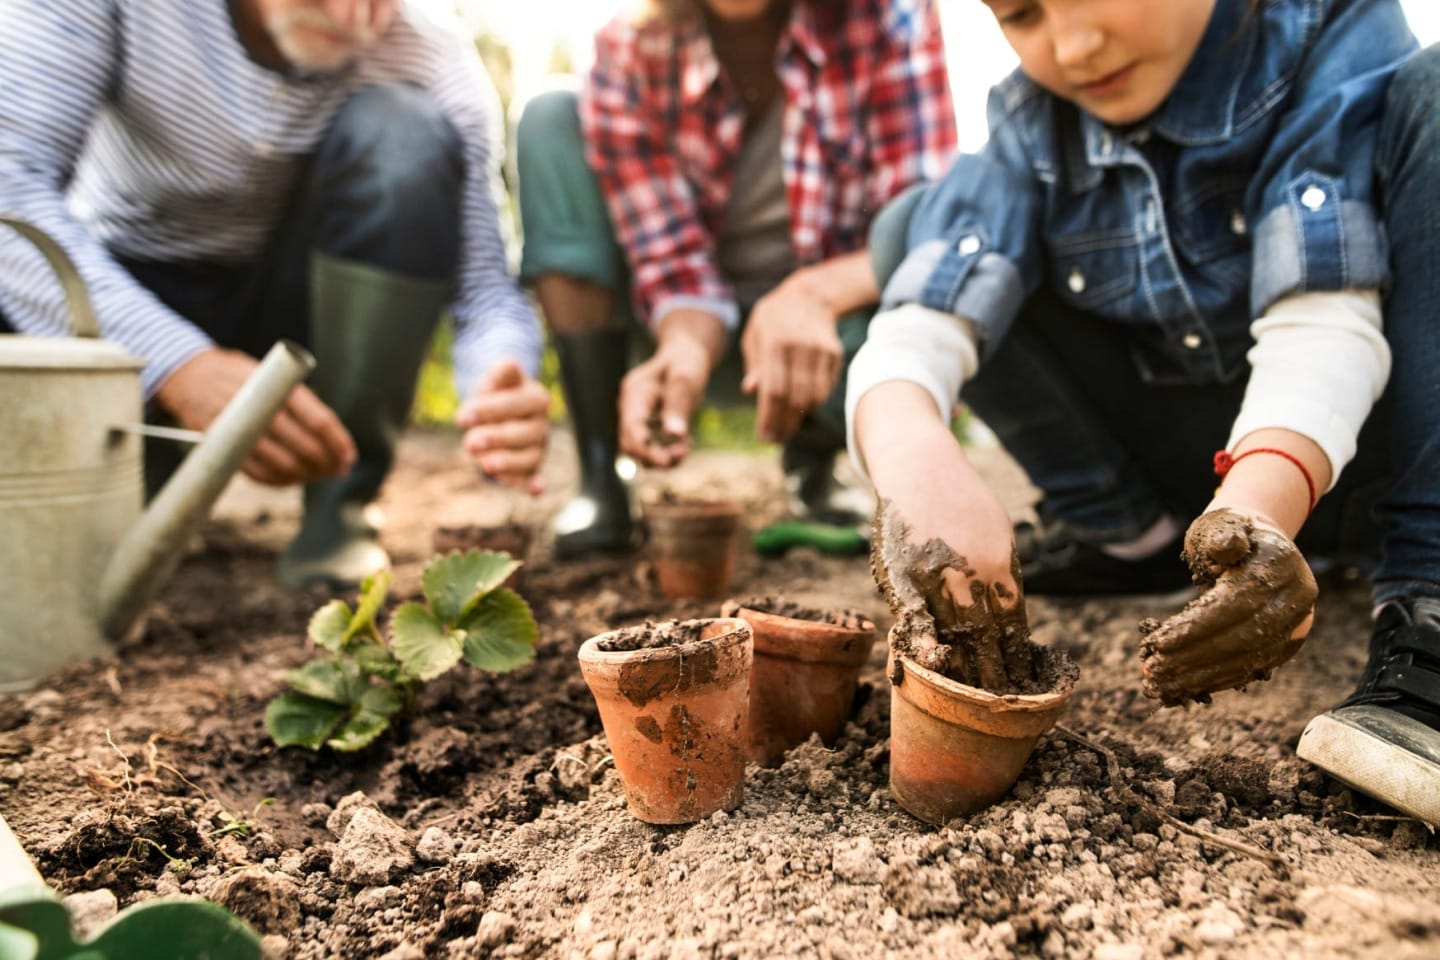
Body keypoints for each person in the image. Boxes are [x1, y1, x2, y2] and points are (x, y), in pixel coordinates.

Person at [848, 0, 1439, 825]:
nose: (1075, 46)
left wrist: (1258, 506)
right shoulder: (1031, 118)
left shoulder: (1332, 32)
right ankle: (1134, 540)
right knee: (915, 228)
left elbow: (1324, 318)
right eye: (1020, 15)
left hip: (1367, 443)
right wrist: (916, 457)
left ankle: (1429, 599)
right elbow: (923, 319)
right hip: (1199, 475)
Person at [0, 0, 550, 589]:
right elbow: (10, 184)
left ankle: (341, 505)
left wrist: (501, 375)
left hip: (299, 309)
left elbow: (485, 288)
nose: (352, 15)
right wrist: (175, 364)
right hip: (125, 296)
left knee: (404, 132)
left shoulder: (429, 52)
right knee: (88, 548)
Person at [513, 0, 956, 558]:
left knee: (901, 332)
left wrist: (811, 296)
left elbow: (920, 227)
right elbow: (671, 258)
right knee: (551, 115)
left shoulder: (893, 17)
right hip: (692, 332)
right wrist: (685, 346)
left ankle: (813, 456)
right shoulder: (628, 49)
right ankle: (602, 471)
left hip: (832, 332)